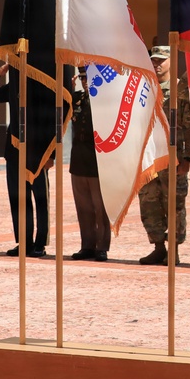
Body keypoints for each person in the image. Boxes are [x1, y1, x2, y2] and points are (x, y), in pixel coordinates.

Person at [0, 63, 51, 258]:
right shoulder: (14, 88)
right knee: (18, 199)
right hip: (14, 151)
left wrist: (50, 155)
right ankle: (25, 242)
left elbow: (52, 120)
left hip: (38, 152)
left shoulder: (43, 86)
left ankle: (40, 243)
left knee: (41, 199)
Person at [137, 46, 190, 265]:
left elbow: (188, 126)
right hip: (148, 156)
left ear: (172, 61)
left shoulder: (180, 90)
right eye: (154, 61)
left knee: (174, 205)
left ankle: (174, 249)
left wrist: (187, 158)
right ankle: (158, 247)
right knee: (149, 202)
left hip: (173, 158)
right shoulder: (144, 88)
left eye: (162, 60)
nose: (157, 65)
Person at [69, 67, 110, 261]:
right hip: (79, 157)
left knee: (100, 207)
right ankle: (87, 245)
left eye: (90, 78)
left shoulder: (106, 101)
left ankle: (102, 246)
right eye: (83, 79)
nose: (86, 82)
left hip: (98, 159)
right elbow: (60, 104)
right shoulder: (77, 98)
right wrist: (67, 86)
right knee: (83, 206)